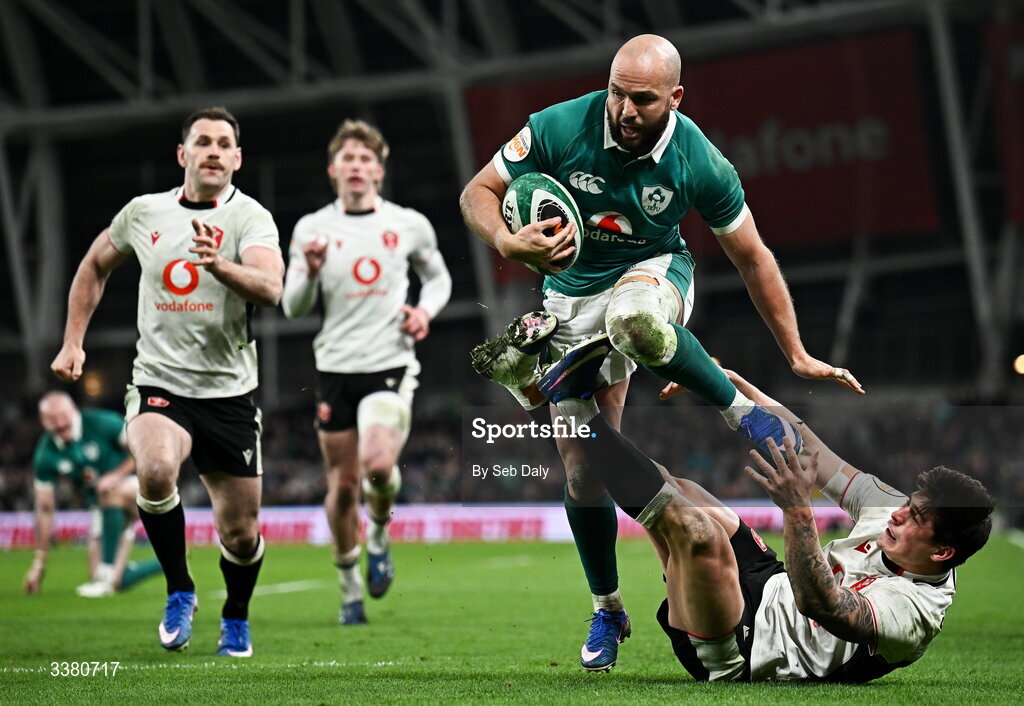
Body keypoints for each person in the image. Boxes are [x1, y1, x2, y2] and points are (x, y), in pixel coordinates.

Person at [460, 33, 862, 671]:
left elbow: (753, 256)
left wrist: (796, 353)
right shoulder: (563, 124)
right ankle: (608, 606)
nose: (623, 109)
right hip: (566, 295)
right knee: (583, 467)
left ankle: (738, 411)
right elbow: (477, 191)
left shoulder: (700, 161)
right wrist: (510, 244)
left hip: (653, 269)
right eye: (617, 92)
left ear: (675, 97)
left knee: (636, 321)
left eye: (641, 99)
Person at [537, 337, 994, 683]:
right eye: (909, 506)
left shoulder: (913, 615)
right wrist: (730, 387)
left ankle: (569, 399)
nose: (897, 514)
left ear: (941, 554)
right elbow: (809, 449)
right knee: (685, 492)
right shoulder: (890, 509)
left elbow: (821, 605)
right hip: (769, 582)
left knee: (698, 533)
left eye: (916, 519)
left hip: (746, 646)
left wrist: (798, 510)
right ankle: (570, 398)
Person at [50, 107, 284, 657]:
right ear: (183, 155)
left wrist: (220, 265)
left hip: (229, 394)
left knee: (241, 534)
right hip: (160, 381)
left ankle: (235, 614)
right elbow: (94, 265)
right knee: (154, 473)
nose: (214, 151)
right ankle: (179, 588)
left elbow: (271, 287)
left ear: (237, 159)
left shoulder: (251, 218)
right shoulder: (144, 213)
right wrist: (72, 341)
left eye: (225, 144)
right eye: (202, 142)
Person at [282, 120, 451, 625]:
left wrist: (424, 312)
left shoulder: (408, 224)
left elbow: (438, 278)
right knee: (342, 485)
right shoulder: (312, 230)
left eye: (365, 159)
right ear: (333, 170)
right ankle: (349, 585)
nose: (356, 167)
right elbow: (293, 307)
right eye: (347, 159)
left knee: (378, 464)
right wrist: (308, 272)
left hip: (390, 363)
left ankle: (377, 535)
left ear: (378, 169)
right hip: (335, 367)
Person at [24, 391, 161, 598]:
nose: (60, 424)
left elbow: (143, 451)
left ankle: (106, 574)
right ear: (42, 421)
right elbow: (44, 508)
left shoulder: (102, 423)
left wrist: (115, 475)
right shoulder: (46, 453)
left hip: (138, 487)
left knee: (110, 490)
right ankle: (171, 561)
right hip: (102, 505)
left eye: (63, 417)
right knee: (111, 580)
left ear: (74, 411)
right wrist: (39, 563)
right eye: (52, 420)